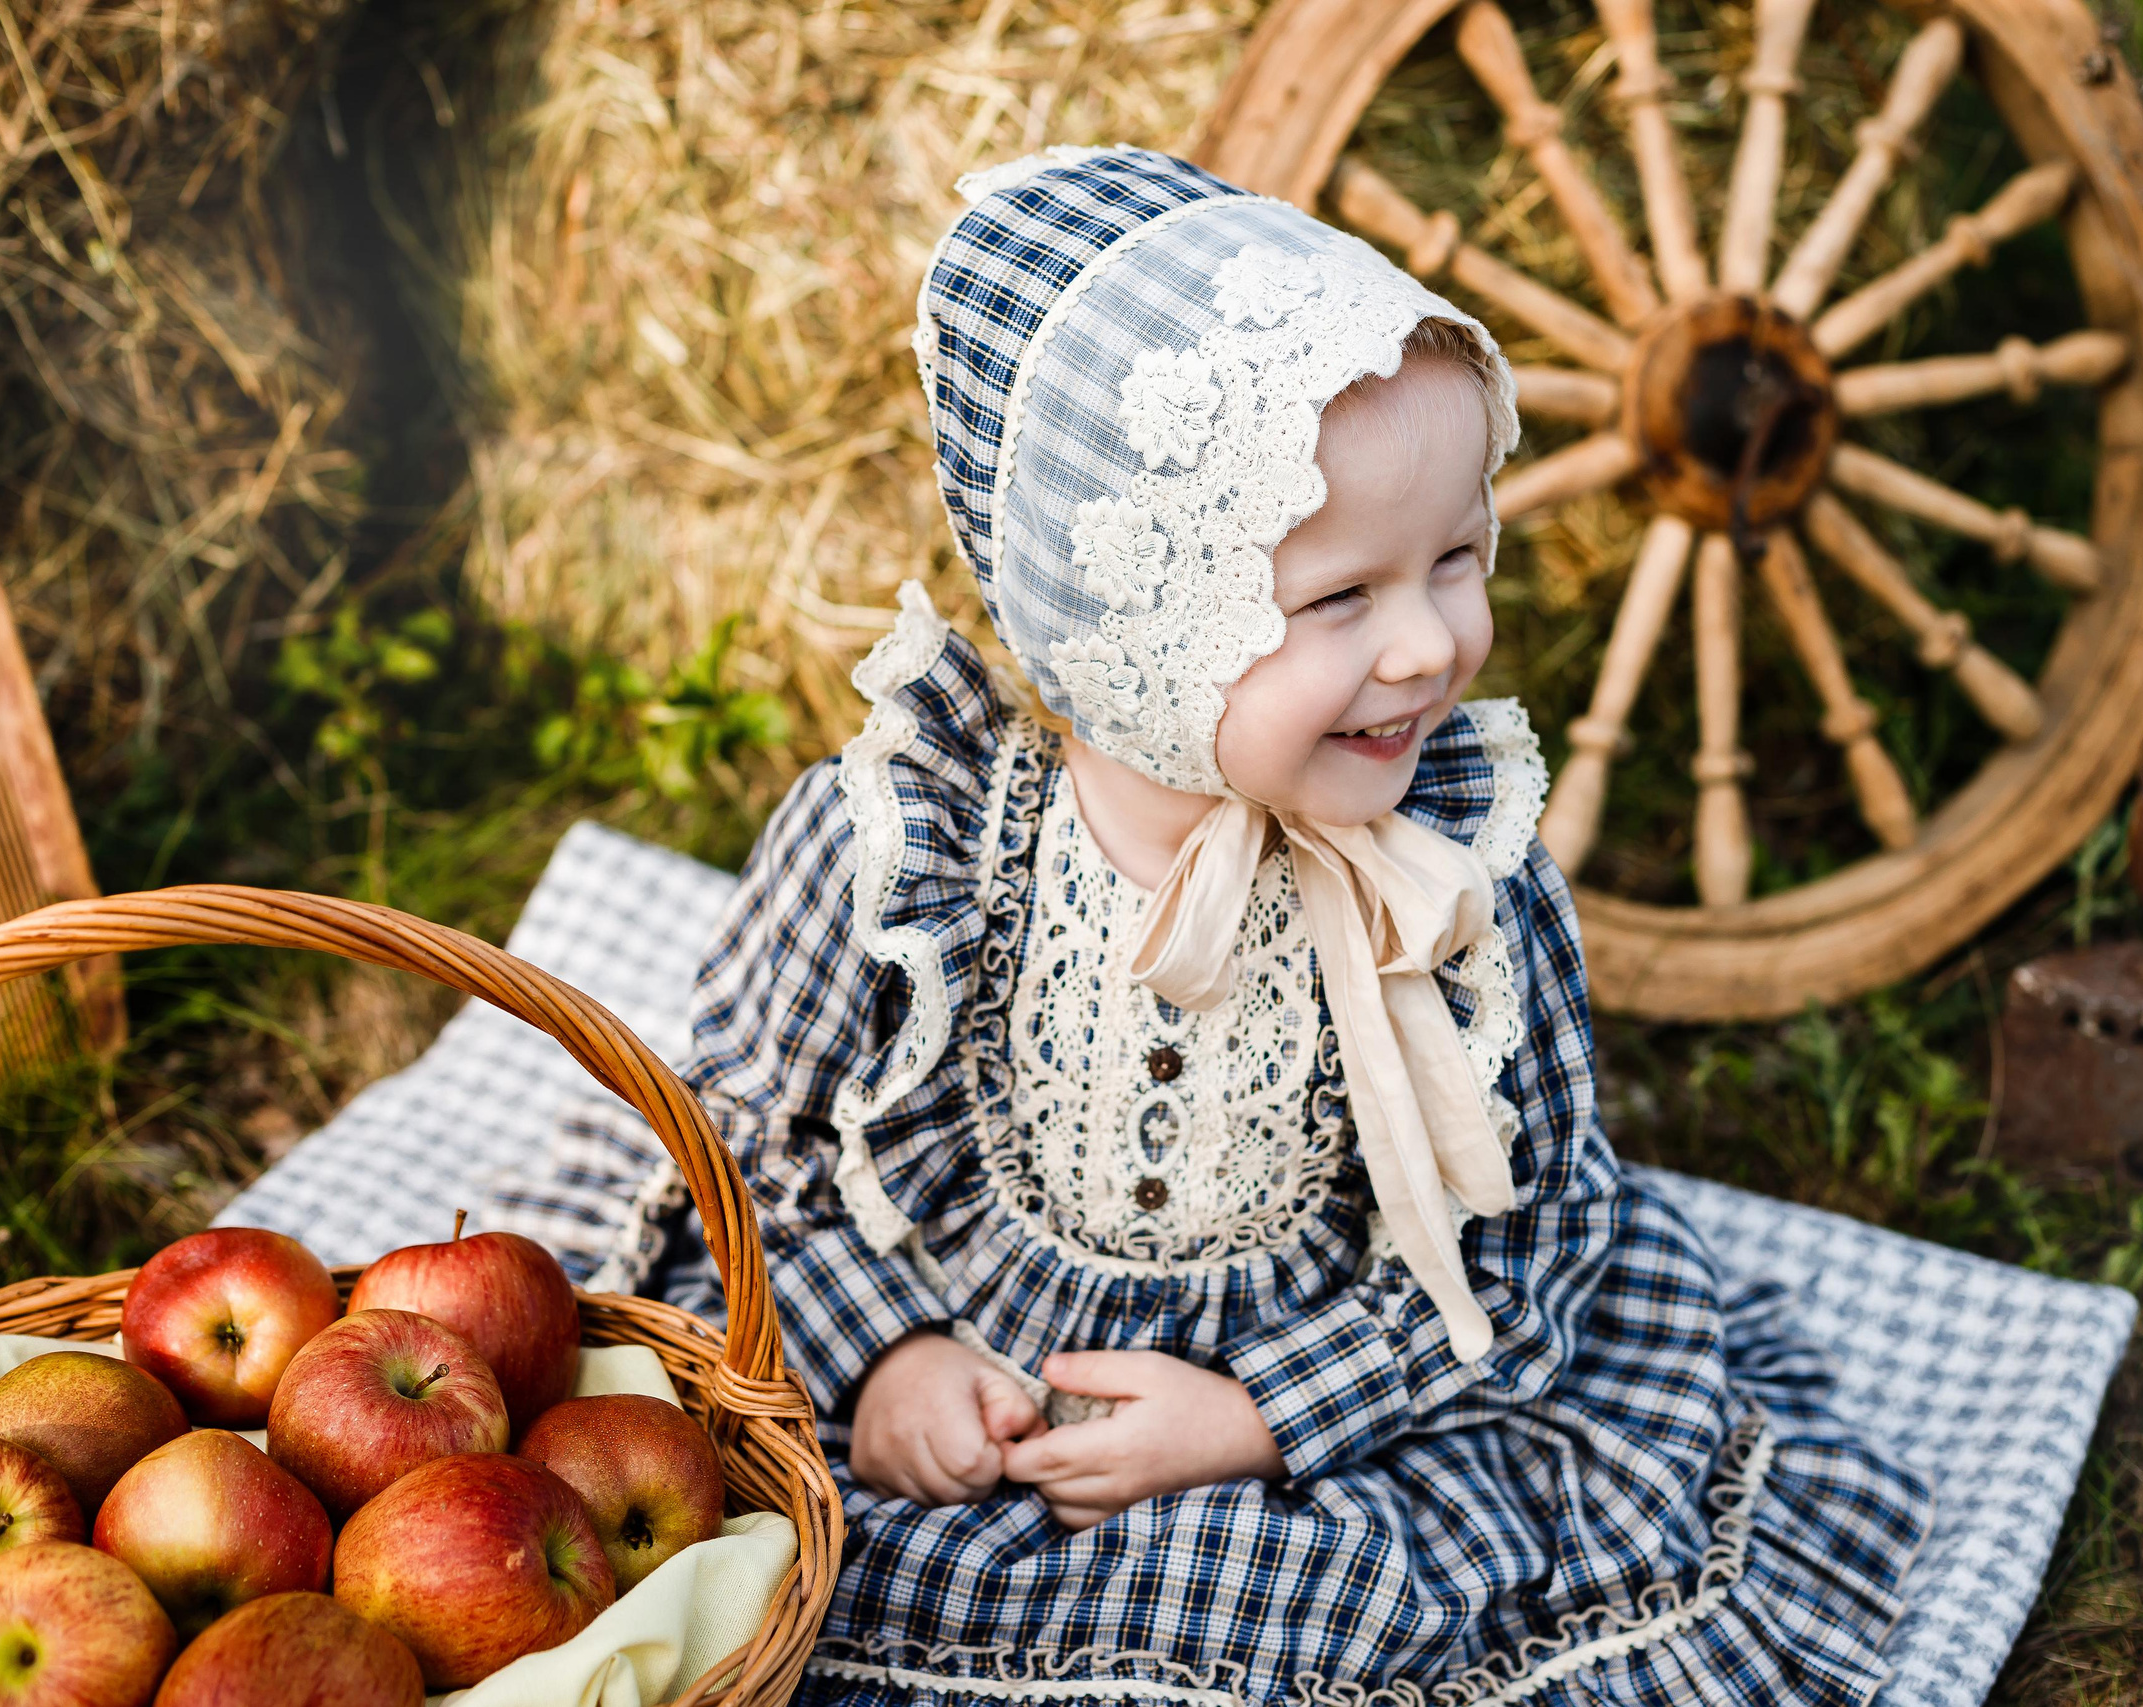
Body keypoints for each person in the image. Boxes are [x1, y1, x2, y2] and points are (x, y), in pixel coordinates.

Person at [506, 145, 1932, 1706]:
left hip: (1338, 1377)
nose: (1428, 647)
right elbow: (751, 1156)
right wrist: (891, 1360)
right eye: (1341, 601)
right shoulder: (914, 842)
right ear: (1132, 628)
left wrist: (1260, 1417)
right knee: (816, 1541)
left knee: (1329, 1600)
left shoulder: (1448, 866)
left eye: (1458, 558)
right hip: (978, 1365)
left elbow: (1520, 1230)